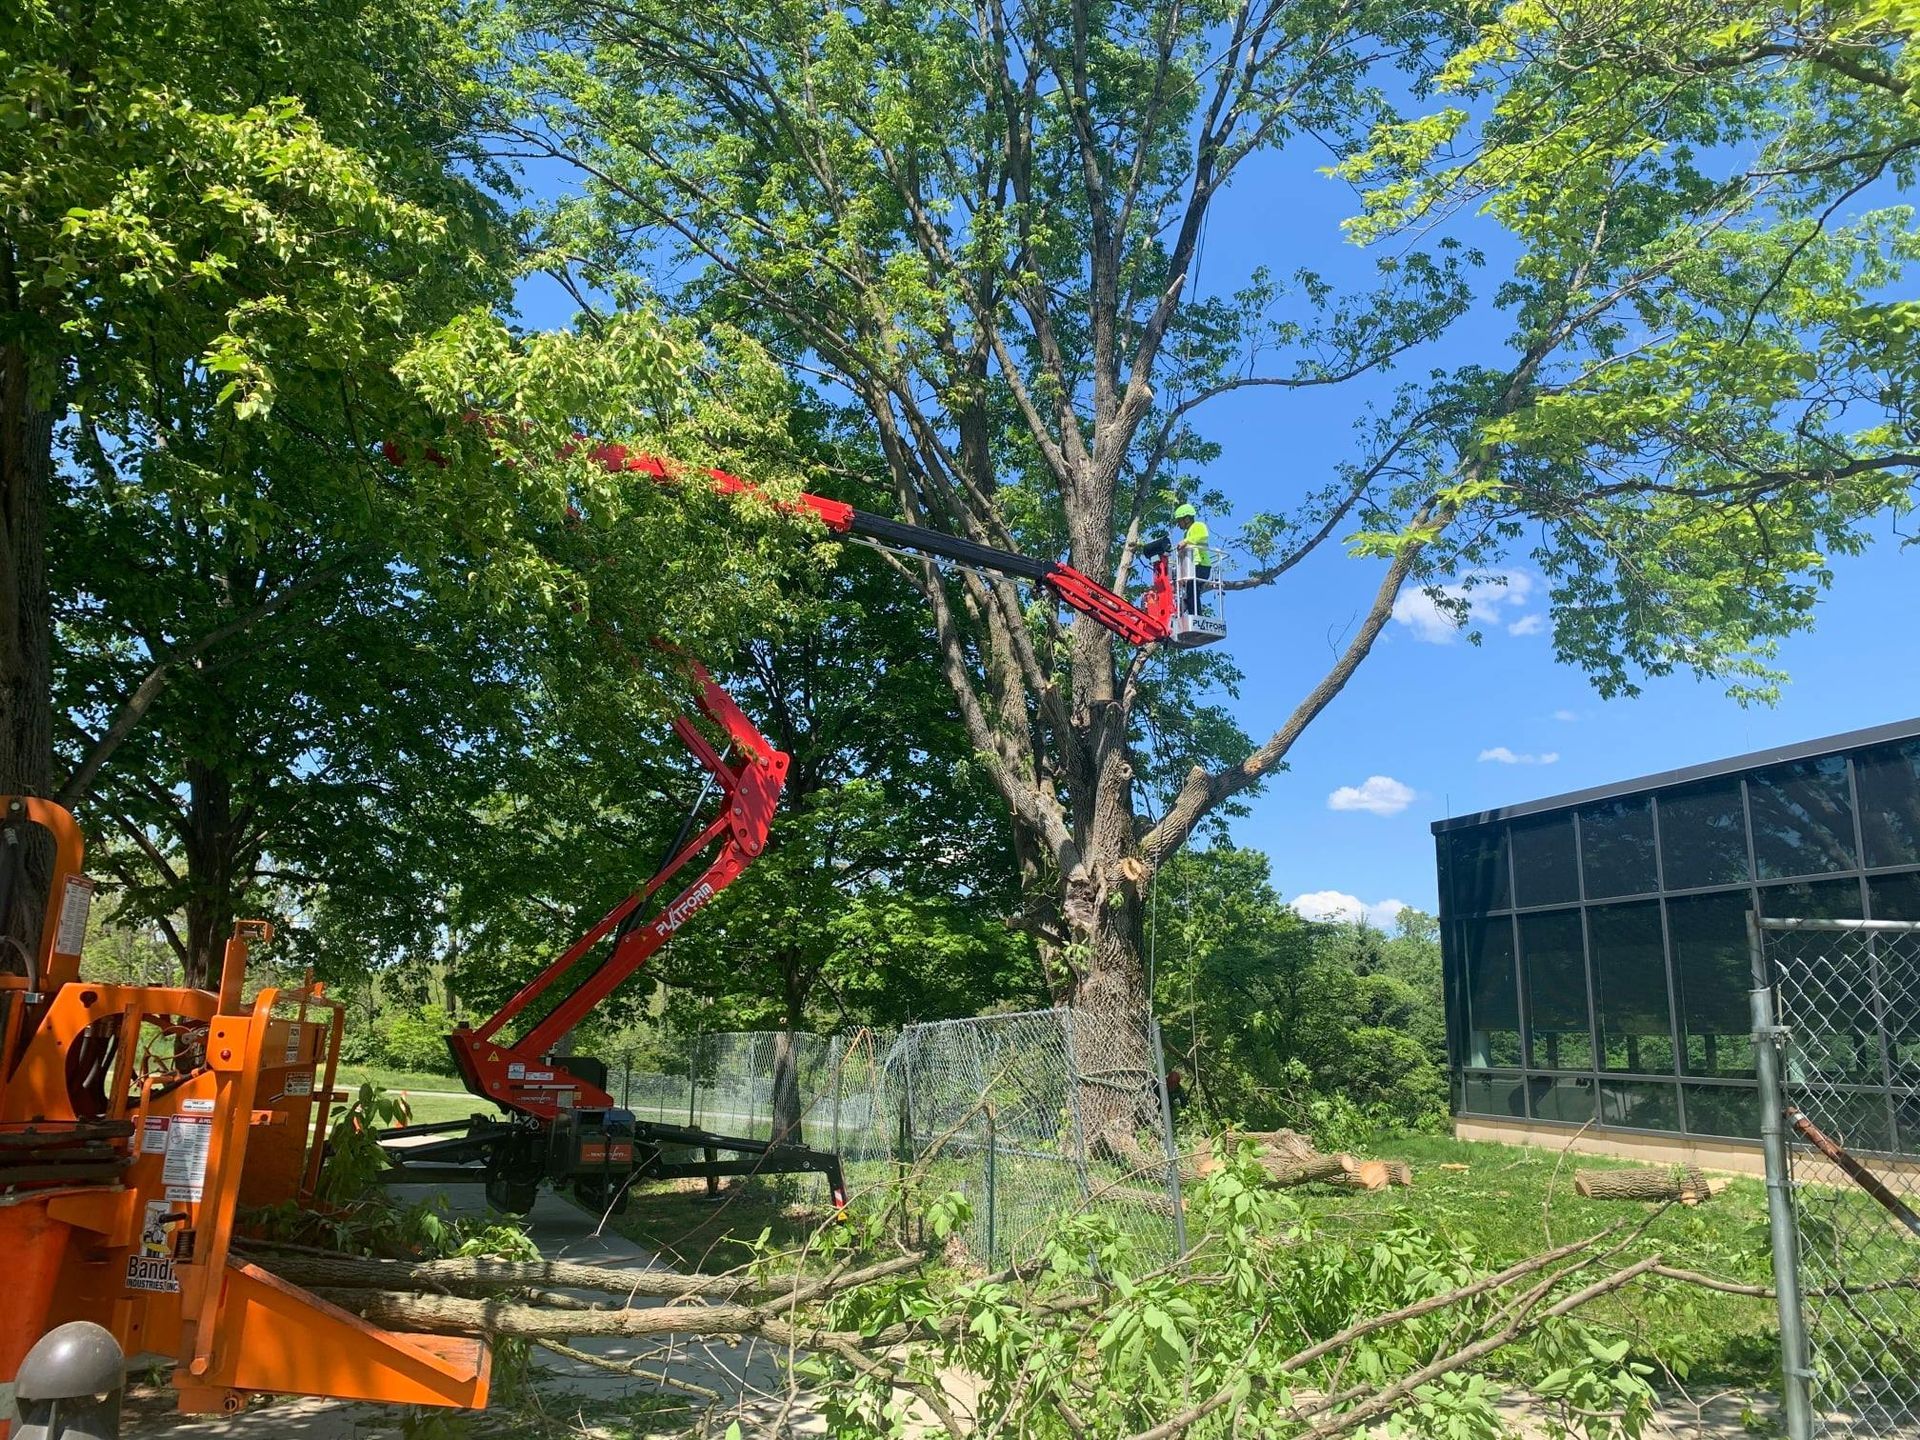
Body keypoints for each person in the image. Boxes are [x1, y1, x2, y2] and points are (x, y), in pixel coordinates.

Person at [1173, 502, 1212, 612]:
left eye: (1179, 520)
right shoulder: (1187, 533)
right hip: (1192, 566)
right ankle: (1191, 612)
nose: (1178, 524)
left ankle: (1196, 616)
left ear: (1187, 519)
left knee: (1192, 589)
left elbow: (1203, 536)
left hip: (1201, 565)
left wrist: (1185, 541)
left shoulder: (1198, 526)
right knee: (1190, 591)